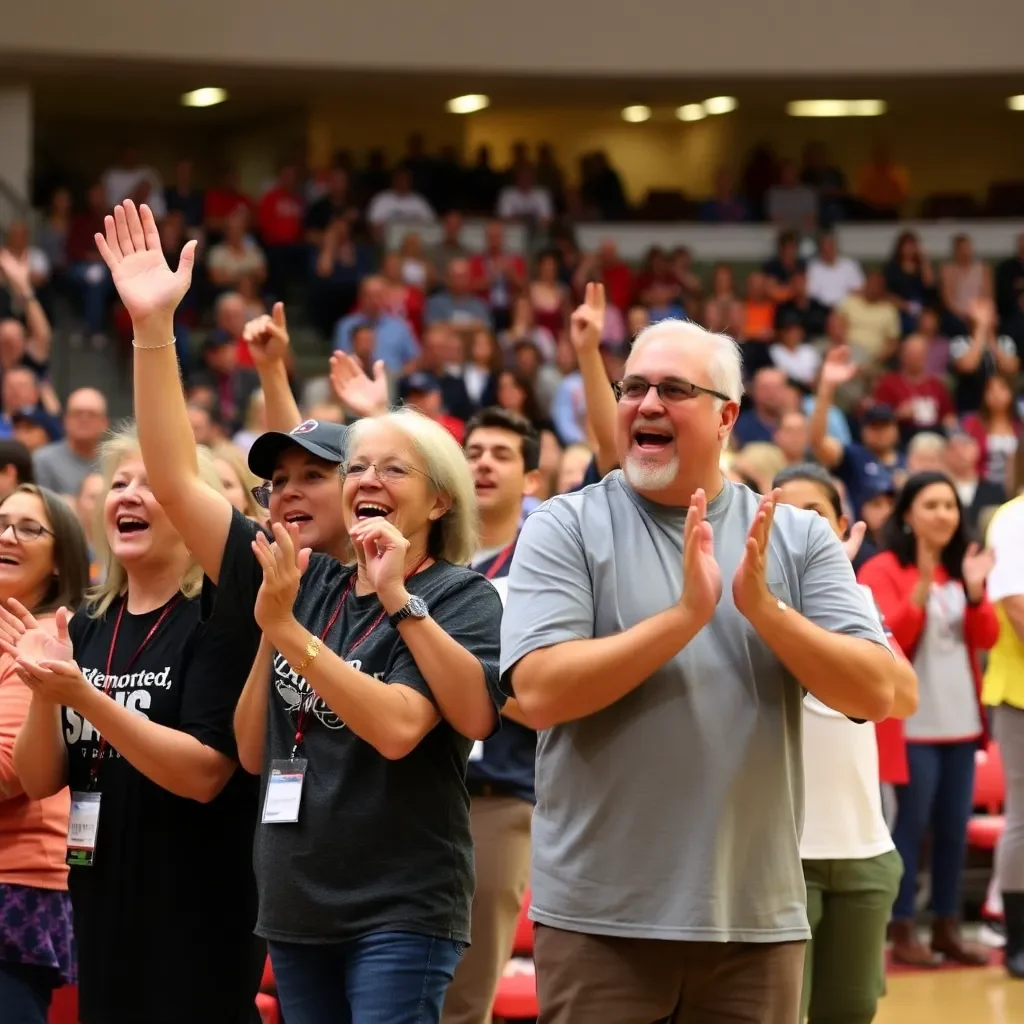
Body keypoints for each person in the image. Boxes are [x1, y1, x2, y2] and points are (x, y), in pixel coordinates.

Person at [99, 200, 504, 1023]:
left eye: (314, 477)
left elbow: (398, 728)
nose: (286, 497)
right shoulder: (294, 577)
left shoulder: (451, 592)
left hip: (401, 901)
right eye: (273, 483)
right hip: (296, 901)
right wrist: (152, 330)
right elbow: (178, 478)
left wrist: (285, 627)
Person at [500, 317, 903, 1024]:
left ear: (727, 416)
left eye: (674, 389)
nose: (646, 404)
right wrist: (684, 617)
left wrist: (767, 612)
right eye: (634, 387)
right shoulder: (563, 527)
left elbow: (880, 691)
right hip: (601, 921)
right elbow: (536, 693)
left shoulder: (797, 534)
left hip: (755, 921)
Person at [8, 427, 265, 1024]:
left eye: (152, 486)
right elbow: (40, 779)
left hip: (199, 901)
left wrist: (86, 696)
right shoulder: (90, 623)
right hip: (100, 897)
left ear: (192, 510)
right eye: (119, 483)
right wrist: (46, 691)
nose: (128, 495)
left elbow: (204, 773)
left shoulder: (218, 621)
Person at [772, 464, 916, 1024]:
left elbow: (903, 698)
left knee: (851, 1012)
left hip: (866, 855)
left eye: (815, 516)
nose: (802, 528)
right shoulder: (750, 606)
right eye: (787, 514)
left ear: (840, 527)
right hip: (783, 858)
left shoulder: (858, 604)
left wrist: (844, 599)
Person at [858, 471, 999, 967]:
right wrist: (918, 587)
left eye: (949, 506)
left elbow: (985, 639)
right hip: (911, 727)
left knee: (953, 829)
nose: (944, 515)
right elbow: (886, 638)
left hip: (961, 724)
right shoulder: (881, 569)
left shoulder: (961, 568)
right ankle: (900, 929)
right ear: (909, 516)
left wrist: (978, 593)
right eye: (932, 505)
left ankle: (945, 926)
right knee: (910, 828)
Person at [443, 406, 541, 1024]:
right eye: (473, 450)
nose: (482, 462)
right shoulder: (423, 558)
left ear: (532, 479)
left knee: (464, 1000)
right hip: (406, 788)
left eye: (502, 454)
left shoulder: (542, 568)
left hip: (495, 795)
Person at [0, 485, 90, 1023]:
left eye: (29, 527)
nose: (7, 535)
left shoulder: (52, 639)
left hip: (13, 886)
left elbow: (8, 768)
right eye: (1, 521)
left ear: (60, 562)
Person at [980, 456, 1024, 978]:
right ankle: (1017, 937)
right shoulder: (1013, 518)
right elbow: (1014, 603)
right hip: (1018, 692)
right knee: (1023, 818)